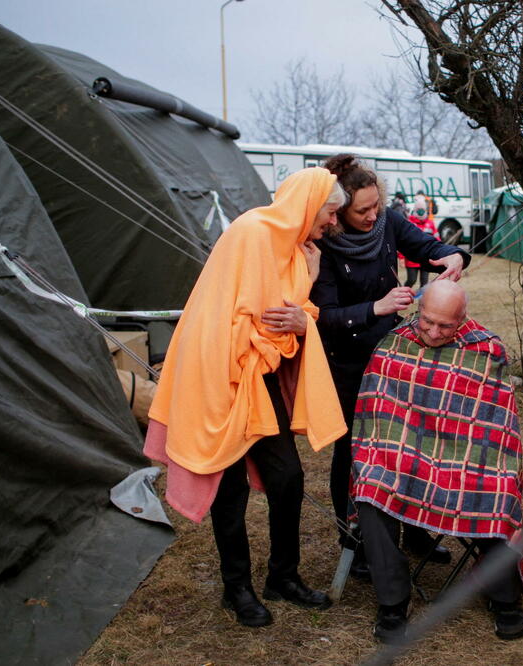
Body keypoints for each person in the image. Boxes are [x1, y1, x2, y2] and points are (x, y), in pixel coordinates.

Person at [144, 167, 348, 628]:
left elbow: (288, 318)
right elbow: (262, 322)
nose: (332, 223)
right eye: (330, 212)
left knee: (288, 478)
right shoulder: (253, 231)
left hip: (259, 380)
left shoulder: (296, 251)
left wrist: (309, 285)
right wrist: (296, 317)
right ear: (309, 204)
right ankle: (237, 587)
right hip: (220, 376)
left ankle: (283, 576)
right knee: (229, 490)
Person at [310, 154, 470, 572]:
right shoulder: (322, 244)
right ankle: (357, 544)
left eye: (376, 205)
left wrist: (453, 257)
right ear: (339, 211)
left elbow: (428, 246)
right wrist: (377, 306)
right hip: (345, 362)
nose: (372, 215)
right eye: (362, 210)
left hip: (394, 357)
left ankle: (416, 529)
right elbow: (324, 316)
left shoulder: (387, 223)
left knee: (410, 442)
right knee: (354, 452)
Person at [351, 280, 523, 643]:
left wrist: (479, 463)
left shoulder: (486, 349)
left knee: (494, 490)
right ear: (418, 311)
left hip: (466, 454)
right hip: (404, 452)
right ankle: (393, 603)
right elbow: (377, 415)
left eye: (445, 326)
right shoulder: (395, 343)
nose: (432, 332)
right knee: (371, 489)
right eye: (426, 321)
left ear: (462, 319)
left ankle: (506, 599)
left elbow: (494, 422)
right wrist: (388, 453)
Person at [402, 211, 440, 289]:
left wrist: (438, 251)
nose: (421, 212)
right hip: (411, 259)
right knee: (412, 280)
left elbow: (436, 238)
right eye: (419, 209)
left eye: (422, 209)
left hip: (425, 258)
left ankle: (423, 300)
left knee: (424, 282)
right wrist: (401, 257)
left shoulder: (430, 223)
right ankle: (403, 295)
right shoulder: (409, 223)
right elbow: (402, 241)